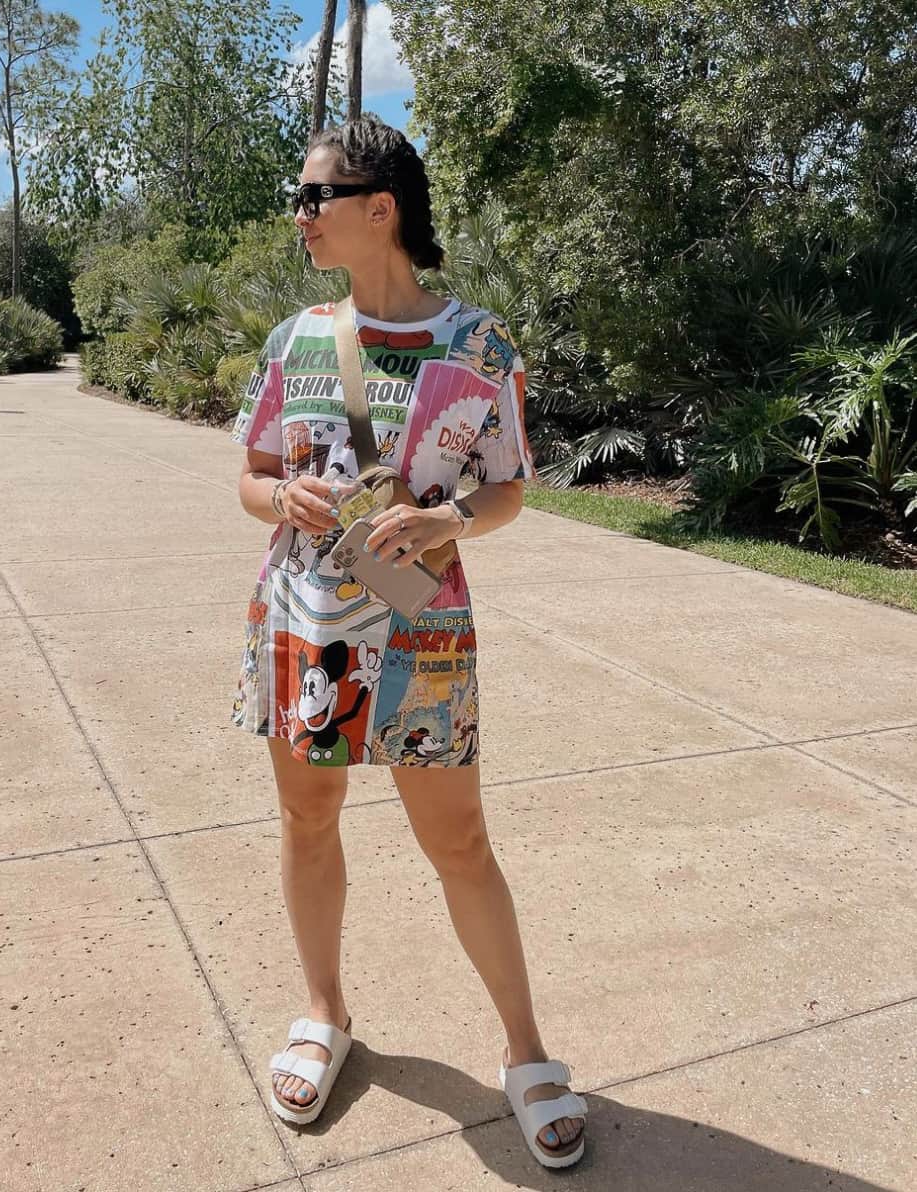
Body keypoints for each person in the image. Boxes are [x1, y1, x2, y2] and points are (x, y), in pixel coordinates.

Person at [230, 116, 587, 1170]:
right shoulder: (295, 340)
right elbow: (248, 476)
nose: (298, 216)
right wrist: (276, 495)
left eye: (314, 197)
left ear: (377, 208)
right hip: (309, 627)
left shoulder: (477, 345)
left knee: (460, 844)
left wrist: (454, 520)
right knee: (306, 820)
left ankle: (525, 1053)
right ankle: (324, 1013)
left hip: (422, 632)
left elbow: (511, 486)